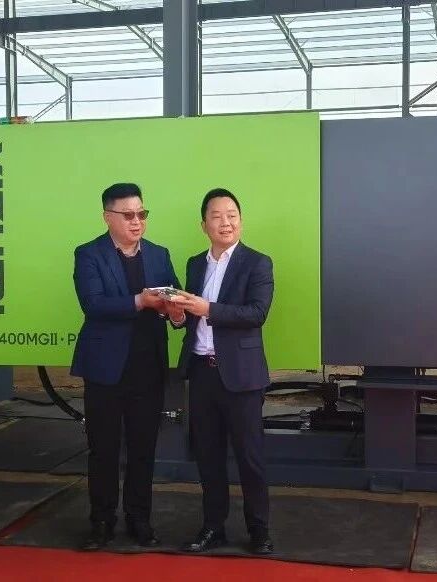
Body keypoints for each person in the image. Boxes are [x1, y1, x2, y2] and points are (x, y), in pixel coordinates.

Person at [69, 182, 184, 551]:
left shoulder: (159, 254)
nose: (137, 222)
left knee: (143, 449)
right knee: (103, 449)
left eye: (142, 214)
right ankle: (101, 522)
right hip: (105, 369)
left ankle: (140, 520)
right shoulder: (89, 254)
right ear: (108, 217)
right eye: (128, 215)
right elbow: (93, 304)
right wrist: (140, 301)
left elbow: (176, 298)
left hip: (148, 368)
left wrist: (176, 314)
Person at [166, 188, 275, 556]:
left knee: (250, 457)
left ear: (240, 221)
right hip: (201, 372)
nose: (225, 222)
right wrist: (178, 315)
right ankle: (213, 527)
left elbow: (256, 313)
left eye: (232, 215)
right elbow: (189, 319)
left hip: (241, 376)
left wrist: (207, 308)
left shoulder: (257, 263)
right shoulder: (195, 264)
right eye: (217, 216)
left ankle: (259, 529)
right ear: (204, 225)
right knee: (208, 455)